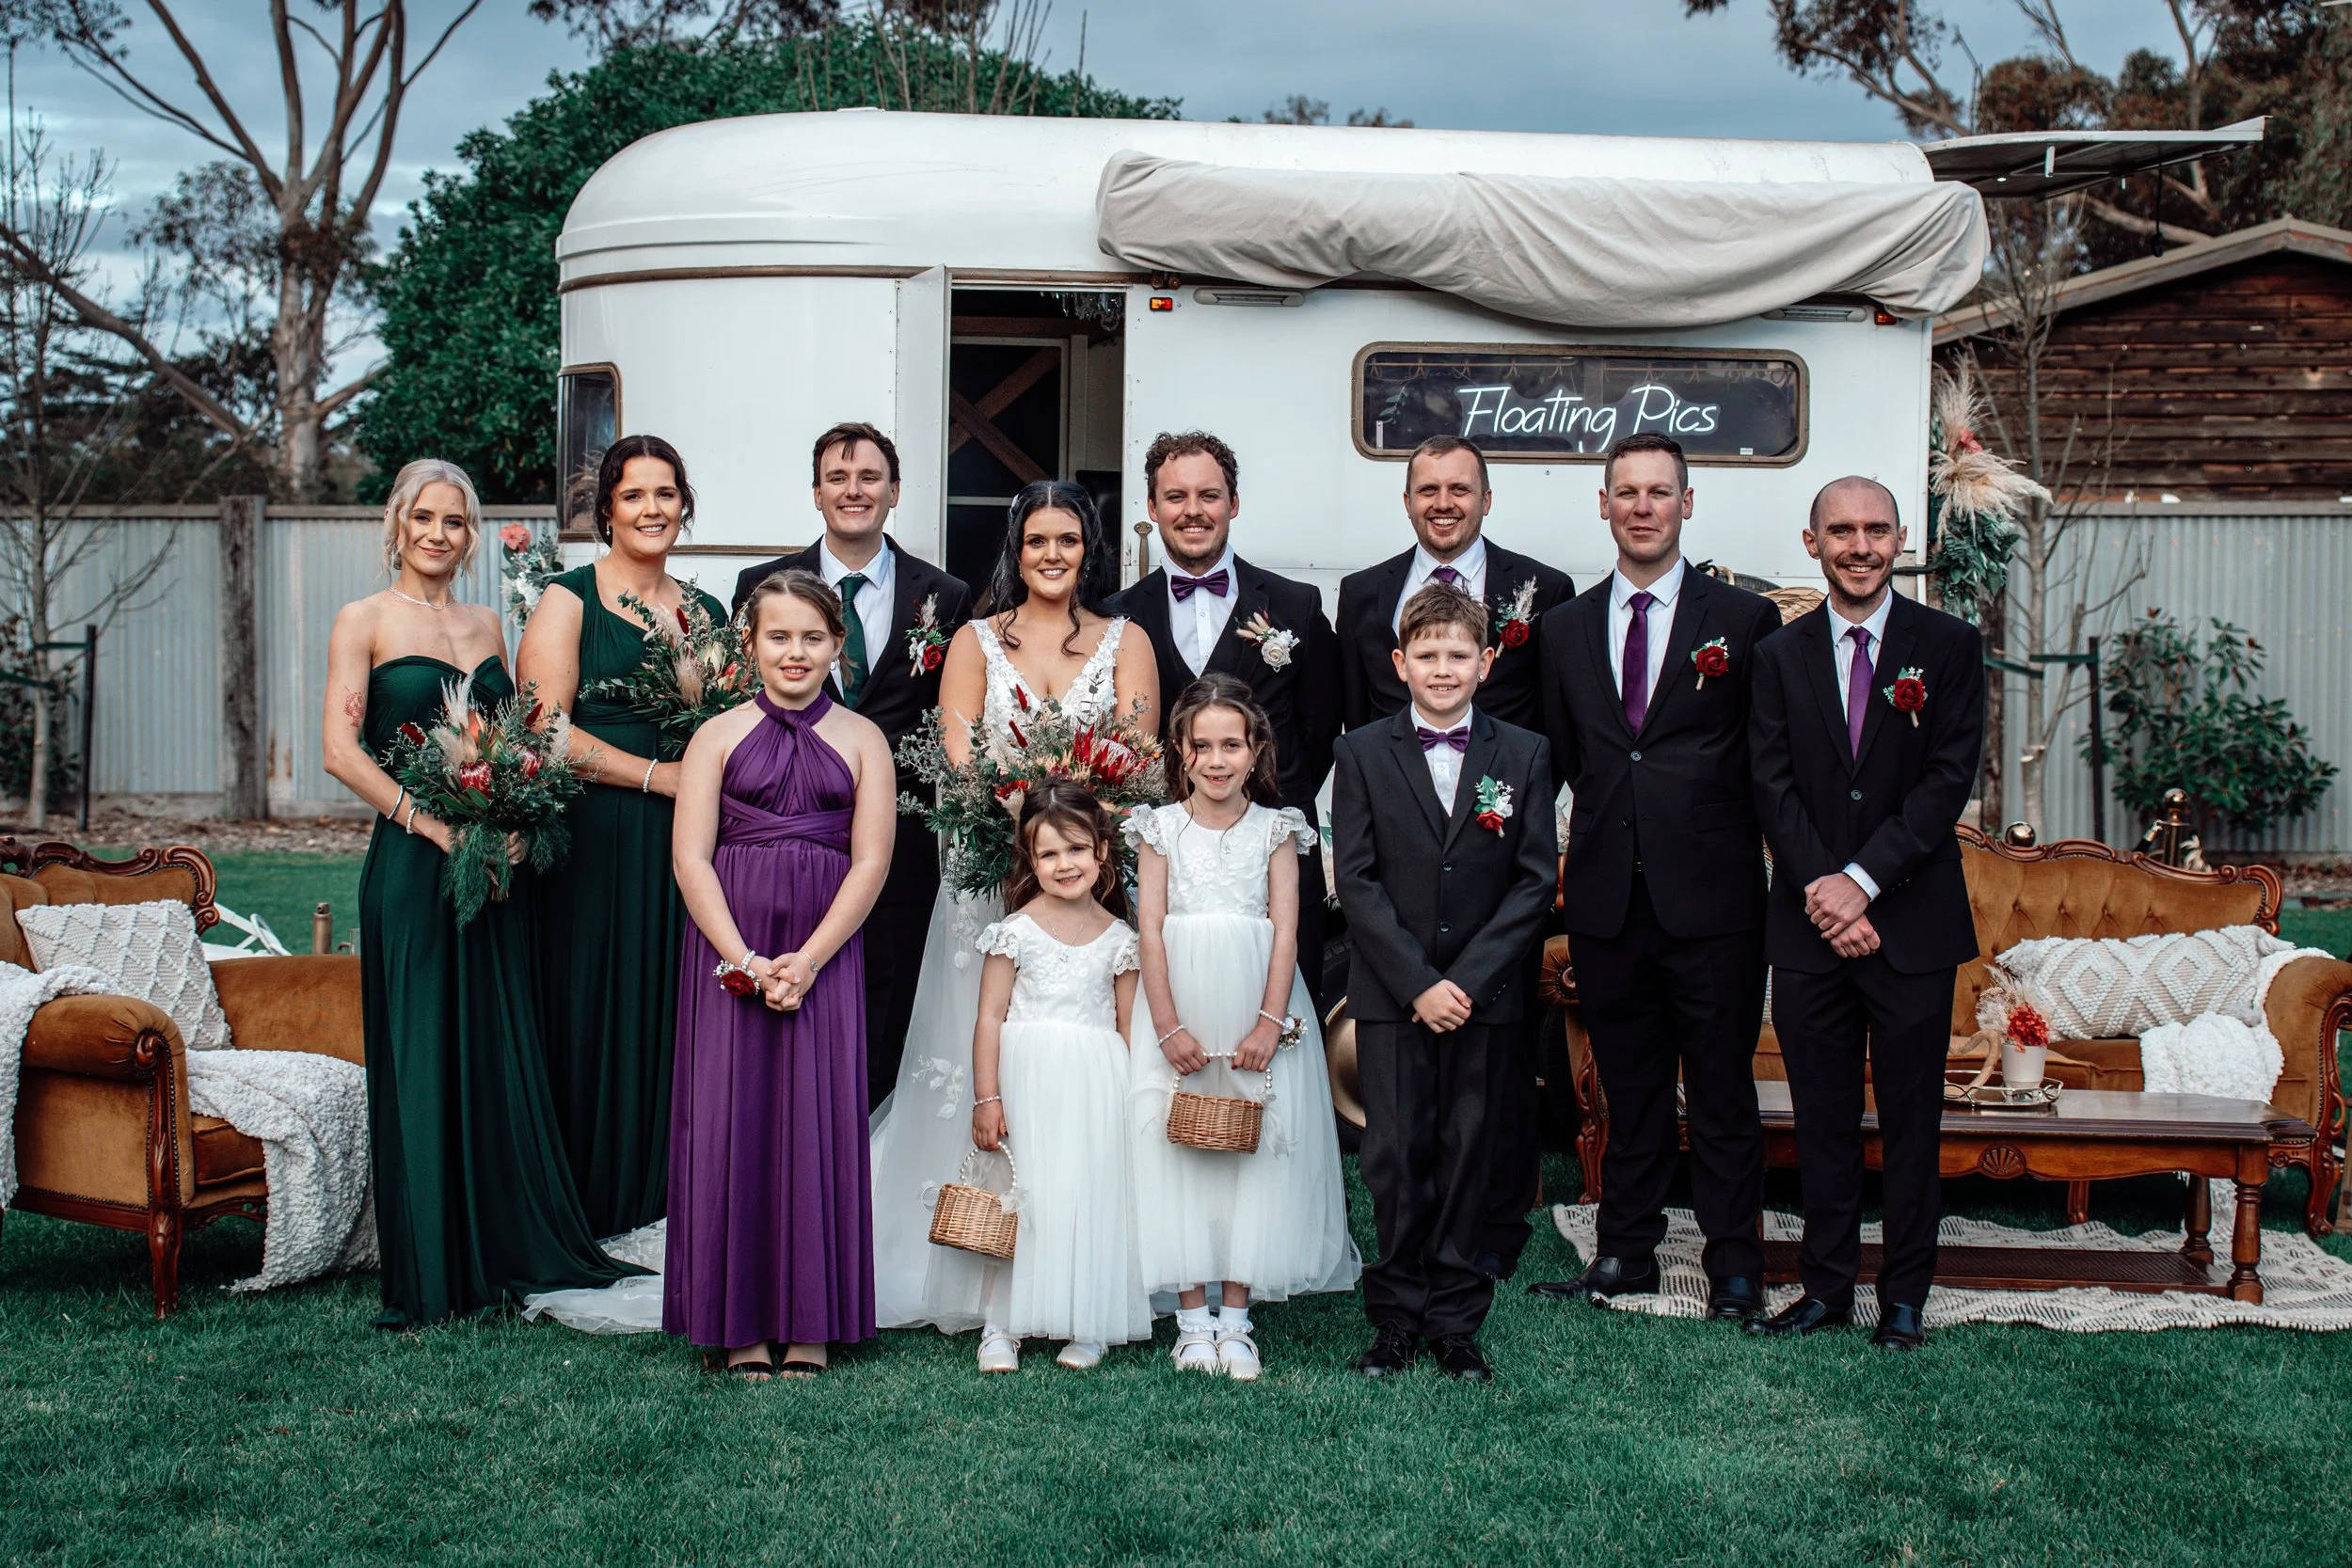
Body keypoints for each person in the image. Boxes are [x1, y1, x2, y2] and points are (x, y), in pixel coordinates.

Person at [323, 458, 637, 1326]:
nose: (438, 533)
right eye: (424, 516)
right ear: (397, 522)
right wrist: (432, 826)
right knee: (424, 1052)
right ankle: (431, 1269)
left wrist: (511, 814)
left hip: (493, 863)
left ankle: (501, 1246)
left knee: (492, 1054)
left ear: (470, 534)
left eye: (455, 521)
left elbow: (510, 739)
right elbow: (340, 751)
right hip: (414, 862)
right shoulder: (365, 620)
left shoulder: (487, 620)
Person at [866, 480, 1159, 1329]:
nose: (1053, 554)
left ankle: (1083, 1243)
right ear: (1015, 549)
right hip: (989, 873)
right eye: (1037, 541)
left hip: (1095, 877)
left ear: (1088, 548)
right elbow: (959, 759)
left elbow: (1139, 757)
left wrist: (1075, 847)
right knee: (986, 1042)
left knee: (1084, 1050)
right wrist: (1024, 832)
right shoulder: (974, 640)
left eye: (1068, 539)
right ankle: (976, 1239)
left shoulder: (1125, 640)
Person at [1527, 434, 1784, 1323]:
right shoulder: (1564, 627)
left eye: (1659, 492)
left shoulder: (1744, 623)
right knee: (1627, 1092)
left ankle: (1737, 1267)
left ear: (1686, 504)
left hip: (1714, 900)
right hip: (1607, 898)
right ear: (1604, 505)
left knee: (1720, 1091)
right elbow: (1559, 761)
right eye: (1626, 492)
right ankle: (1624, 1254)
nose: (1643, 506)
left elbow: (1767, 762)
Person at [1746, 476, 1984, 1352]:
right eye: (1840, 530)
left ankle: (1906, 1296)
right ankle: (1826, 1287)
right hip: (1810, 930)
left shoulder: (1951, 646)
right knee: (1822, 1116)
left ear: (1900, 538)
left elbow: (1945, 783)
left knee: (1913, 1120)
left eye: (1875, 529)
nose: (1859, 545)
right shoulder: (1779, 654)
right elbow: (1768, 784)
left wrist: (1864, 882)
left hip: (1912, 923)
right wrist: (1826, 890)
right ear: (1813, 543)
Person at [664, 570, 897, 1379]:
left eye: (811, 637)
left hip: (823, 948)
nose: (794, 652)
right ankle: (735, 1321)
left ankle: (811, 1319)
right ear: (750, 644)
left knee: (815, 1118)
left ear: (837, 644)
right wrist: (743, 957)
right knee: (733, 1117)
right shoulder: (716, 736)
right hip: (731, 944)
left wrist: (810, 958)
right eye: (778, 636)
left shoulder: (866, 740)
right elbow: (690, 857)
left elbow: (871, 863)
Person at [1330, 580, 1556, 1383]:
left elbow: (1534, 880)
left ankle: (1457, 1320)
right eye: (1426, 654)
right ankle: (1394, 1317)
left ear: (1487, 661)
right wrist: (1420, 982)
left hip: (1484, 1000)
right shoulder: (1359, 751)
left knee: (1468, 1153)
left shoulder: (1523, 753)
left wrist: (1466, 980)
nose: (1443, 668)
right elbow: (1354, 879)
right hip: (1394, 999)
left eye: (1459, 654)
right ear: (1399, 662)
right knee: (1394, 1155)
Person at [517, 435, 730, 1238]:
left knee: (672, 1011)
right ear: (607, 508)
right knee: (595, 1007)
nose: (652, 509)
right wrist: (655, 777)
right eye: (634, 494)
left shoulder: (706, 614)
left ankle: (663, 1203)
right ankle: (591, 1204)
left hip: (686, 848)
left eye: (666, 493)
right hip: (597, 838)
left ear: (685, 506)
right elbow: (542, 732)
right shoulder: (568, 599)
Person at [731, 423, 973, 1109]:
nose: (854, 490)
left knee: (887, 1007)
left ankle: (870, 1165)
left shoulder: (946, 595)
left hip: (900, 843)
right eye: (837, 478)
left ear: (894, 491)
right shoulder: (760, 586)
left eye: (869, 477)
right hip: (788, 842)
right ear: (816, 493)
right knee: (792, 999)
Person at [1125, 675, 1360, 1381]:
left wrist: (1270, 1020)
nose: (1218, 759)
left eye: (1233, 744)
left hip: (1257, 1003)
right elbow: (1150, 929)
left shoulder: (1277, 827)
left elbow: (1287, 927)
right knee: (1180, 1147)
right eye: (1204, 746)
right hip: (1181, 1002)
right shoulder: (1159, 827)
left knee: (1251, 1146)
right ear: (1181, 751)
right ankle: (1191, 1319)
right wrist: (1166, 1025)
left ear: (1257, 749)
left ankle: (1237, 1318)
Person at [1109, 431, 1342, 1000]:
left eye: (1209, 496)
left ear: (1233, 504)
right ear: (1152, 508)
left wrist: (1269, 794)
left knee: (1281, 1018)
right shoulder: (1118, 616)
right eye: (1176, 497)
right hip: (1167, 862)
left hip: (1271, 856)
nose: (1193, 511)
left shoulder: (1296, 605)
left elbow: (1320, 727)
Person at [932, 783, 1153, 1372]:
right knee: (1020, 1195)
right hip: (1025, 1078)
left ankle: (1089, 1320)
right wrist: (988, 1095)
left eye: (1076, 849)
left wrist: (1134, 1097)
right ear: (1030, 860)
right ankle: (999, 1324)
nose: (1064, 865)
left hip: (1095, 1083)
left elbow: (1130, 1029)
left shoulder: (1121, 940)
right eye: (1049, 854)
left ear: (1103, 852)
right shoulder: (1015, 932)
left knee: (1085, 1191)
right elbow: (989, 1018)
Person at [1336, 435, 1573, 734]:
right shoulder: (1361, 593)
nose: (1444, 503)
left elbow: (1557, 716)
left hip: (1503, 778)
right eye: (1428, 490)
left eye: (1460, 489)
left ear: (1485, 500)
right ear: (1408, 503)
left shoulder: (1545, 590)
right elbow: (1355, 713)